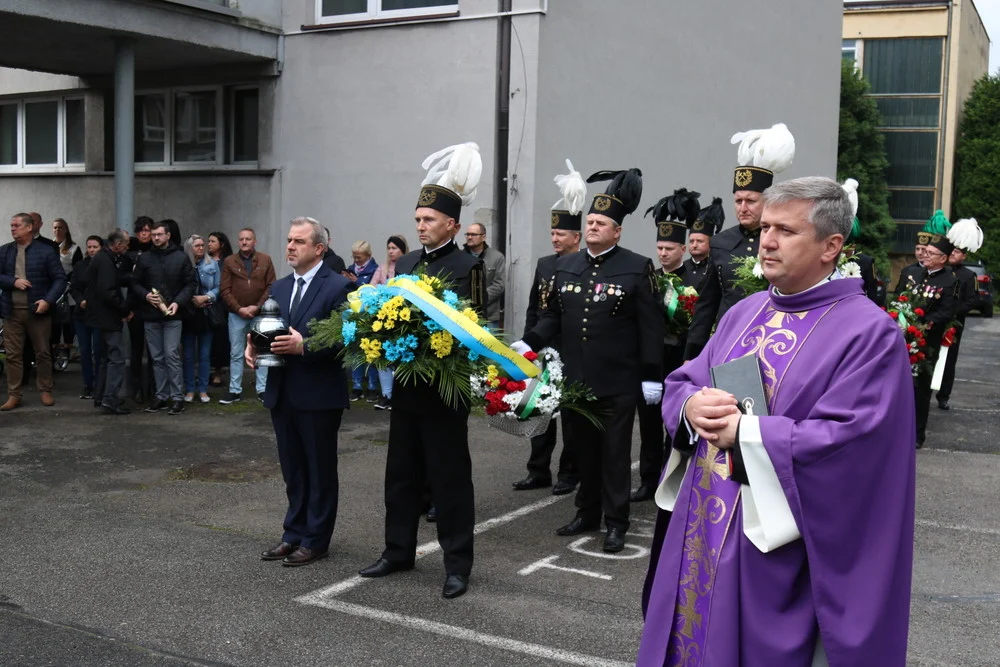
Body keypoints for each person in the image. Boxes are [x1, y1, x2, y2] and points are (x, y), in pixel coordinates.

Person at [638, 176, 915, 666]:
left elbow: (853, 444)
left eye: (785, 231)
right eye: (765, 226)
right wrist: (690, 406)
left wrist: (746, 432)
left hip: (775, 548)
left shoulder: (870, 334)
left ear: (832, 246)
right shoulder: (744, 311)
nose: (766, 240)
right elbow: (688, 378)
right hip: (703, 524)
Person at [359, 142, 486, 600]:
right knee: (402, 473)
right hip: (408, 387)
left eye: (428, 220)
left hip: (444, 391)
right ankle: (397, 551)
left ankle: (457, 564)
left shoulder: (468, 265)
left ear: (451, 224)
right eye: (417, 220)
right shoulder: (407, 262)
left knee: (450, 478)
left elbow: (473, 326)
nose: (421, 226)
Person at [517, 167, 664, 554]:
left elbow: (650, 328)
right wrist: (528, 343)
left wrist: (651, 375)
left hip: (617, 381)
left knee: (615, 456)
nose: (594, 226)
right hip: (577, 380)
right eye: (591, 221)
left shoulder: (637, 266)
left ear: (617, 231)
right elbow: (553, 318)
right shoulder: (565, 266)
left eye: (602, 223)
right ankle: (587, 512)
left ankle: (616, 522)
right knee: (583, 452)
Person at [250, 217, 353, 567]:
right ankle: (293, 533)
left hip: (319, 394)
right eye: (289, 240)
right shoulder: (279, 287)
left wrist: (304, 347)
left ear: (318, 248)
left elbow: (346, 341)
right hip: (283, 392)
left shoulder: (338, 287)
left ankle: (316, 539)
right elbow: (267, 327)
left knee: (319, 470)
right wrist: (253, 345)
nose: (290, 246)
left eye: (299, 242)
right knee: (293, 469)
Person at [685, 123, 796, 360]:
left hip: (776, 341)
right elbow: (708, 302)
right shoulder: (721, 242)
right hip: (729, 341)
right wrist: (692, 354)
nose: (743, 208)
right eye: (738, 201)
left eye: (751, 201)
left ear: (768, 201)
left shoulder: (785, 238)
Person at [512, 159, 585, 495]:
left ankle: (569, 474)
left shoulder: (584, 265)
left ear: (577, 237)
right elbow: (534, 306)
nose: (555, 239)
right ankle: (537, 470)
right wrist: (529, 343)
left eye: (561, 234)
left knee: (569, 416)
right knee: (539, 410)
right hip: (543, 347)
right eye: (552, 233)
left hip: (571, 349)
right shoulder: (545, 263)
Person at [631, 188, 700, 503]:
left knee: (677, 423)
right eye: (659, 247)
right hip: (651, 361)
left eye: (669, 248)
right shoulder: (648, 278)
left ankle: (674, 477)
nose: (662, 253)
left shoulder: (696, 281)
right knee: (648, 425)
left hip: (681, 359)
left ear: (682, 249)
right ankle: (647, 480)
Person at [0, 212, 68, 410]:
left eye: (17, 225)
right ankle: (14, 394)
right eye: (11, 225)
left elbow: (60, 279)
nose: (12, 228)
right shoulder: (4, 251)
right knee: (13, 355)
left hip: (37, 311)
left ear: (29, 227)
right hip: (11, 311)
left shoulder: (46, 252)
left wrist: (48, 300)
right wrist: (13, 281)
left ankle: (45, 390)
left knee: (43, 353)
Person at [131, 220, 198, 416]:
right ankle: (161, 396)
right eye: (154, 235)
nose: (156, 238)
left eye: (160, 234)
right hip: (150, 316)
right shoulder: (145, 259)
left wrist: (178, 302)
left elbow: (190, 284)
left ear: (168, 236)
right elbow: (134, 283)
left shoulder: (181, 257)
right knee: (157, 357)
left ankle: (177, 398)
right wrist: (145, 295)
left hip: (173, 315)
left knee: (171, 355)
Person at [907, 231, 958, 448]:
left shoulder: (949, 281)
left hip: (927, 343)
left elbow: (946, 312)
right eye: (925, 252)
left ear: (943, 259)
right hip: (903, 337)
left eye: (931, 253)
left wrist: (923, 324)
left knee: (920, 388)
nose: (925, 256)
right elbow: (901, 298)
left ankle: (917, 435)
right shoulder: (915, 274)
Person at [219, 227, 276, 404]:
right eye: (241, 239)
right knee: (236, 353)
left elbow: (271, 286)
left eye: (248, 239)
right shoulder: (229, 261)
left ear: (255, 241)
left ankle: (262, 389)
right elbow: (224, 289)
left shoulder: (265, 260)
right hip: (237, 315)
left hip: (259, 314)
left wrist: (257, 307)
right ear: (238, 242)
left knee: (262, 351)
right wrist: (239, 309)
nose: (244, 242)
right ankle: (235, 390)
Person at [937, 218, 983, 410]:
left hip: (954, 323)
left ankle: (944, 396)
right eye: (952, 251)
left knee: (949, 359)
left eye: (957, 252)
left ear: (964, 256)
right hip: (937, 320)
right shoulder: (941, 271)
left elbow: (973, 300)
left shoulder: (968, 275)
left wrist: (954, 311)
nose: (953, 255)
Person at [88, 230, 132, 415]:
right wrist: (124, 309)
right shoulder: (106, 261)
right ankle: (110, 400)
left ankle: (101, 396)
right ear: (118, 244)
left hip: (100, 316)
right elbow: (108, 291)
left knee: (106, 358)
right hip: (108, 317)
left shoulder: (103, 258)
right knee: (116, 358)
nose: (127, 247)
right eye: (126, 244)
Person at [370, 235, 409, 411]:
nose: (391, 251)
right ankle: (387, 395)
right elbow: (370, 289)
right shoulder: (382, 268)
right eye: (389, 248)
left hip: (404, 320)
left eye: (394, 248)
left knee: (400, 357)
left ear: (402, 250)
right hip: (383, 318)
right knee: (383, 357)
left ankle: (400, 396)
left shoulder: (409, 267)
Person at [182, 235, 220, 403]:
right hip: (188, 313)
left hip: (206, 312)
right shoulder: (183, 264)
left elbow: (219, 287)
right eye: (197, 245)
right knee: (189, 355)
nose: (201, 248)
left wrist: (206, 298)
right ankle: (190, 389)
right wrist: (191, 299)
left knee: (204, 355)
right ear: (189, 248)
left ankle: (203, 389)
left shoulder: (212, 264)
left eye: (202, 245)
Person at [70, 235, 106, 400]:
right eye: (89, 246)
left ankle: (100, 384)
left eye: (95, 247)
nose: (91, 250)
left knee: (98, 350)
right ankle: (88, 385)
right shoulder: (79, 265)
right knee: (84, 351)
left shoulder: (106, 265)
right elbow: (74, 287)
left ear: (101, 248)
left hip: (99, 314)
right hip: (81, 314)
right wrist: (80, 300)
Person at [125, 216, 155, 403]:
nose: (144, 233)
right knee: (136, 350)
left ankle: (151, 388)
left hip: (153, 306)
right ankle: (136, 388)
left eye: (147, 229)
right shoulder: (130, 252)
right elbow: (125, 279)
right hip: (135, 307)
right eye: (141, 230)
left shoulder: (158, 251)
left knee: (154, 352)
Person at [346, 240, 380, 402]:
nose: (356, 260)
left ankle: (373, 387)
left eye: (359, 257)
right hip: (353, 316)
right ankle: (357, 386)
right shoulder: (350, 269)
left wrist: (356, 282)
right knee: (355, 351)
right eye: (354, 257)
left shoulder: (375, 270)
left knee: (371, 352)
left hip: (369, 316)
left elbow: (373, 292)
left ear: (368, 256)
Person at [463, 222, 506, 328]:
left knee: (489, 344)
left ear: (483, 237)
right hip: (463, 314)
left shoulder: (497, 257)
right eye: (467, 234)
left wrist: (479, 300)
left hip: (489, 317)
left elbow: (499, 285)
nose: (469, 237)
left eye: (473, 234)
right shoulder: (460, 256)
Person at [51, 218, 83, 363]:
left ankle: (69, 352)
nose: (57, 230)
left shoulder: (74, 248)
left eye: (60, 228)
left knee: (68, 322)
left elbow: (78, 269)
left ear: (66, 230)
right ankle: (55, 351)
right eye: (55, 228)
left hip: (67, 290)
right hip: (51, 290)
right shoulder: (49, 246)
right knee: (54, 322)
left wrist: (67, 282)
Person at [207, 231, 233, 388]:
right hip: (206, 305)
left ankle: (218, 372)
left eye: (213, 241)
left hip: (222, 306)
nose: (209, 244)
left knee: (220, 341)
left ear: (221, 244)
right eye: (208, 241)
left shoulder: (228, 262)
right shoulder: (205, 261)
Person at [682, 197, 725, 292]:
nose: (694, 245)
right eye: (691, 241)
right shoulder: (680, 269)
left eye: (699, 241)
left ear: (710, 242)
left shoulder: (717, 269)